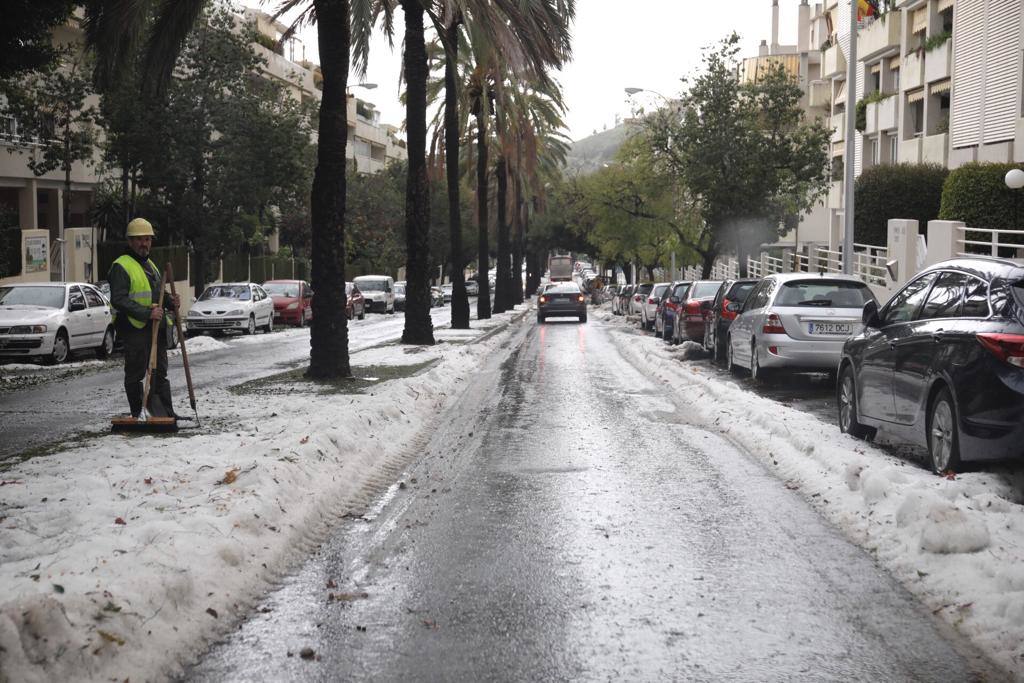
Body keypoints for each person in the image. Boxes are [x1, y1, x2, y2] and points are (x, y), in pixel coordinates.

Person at [108, 218, 179, 418]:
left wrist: (170, 301)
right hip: (135, 329)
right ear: (130, 241)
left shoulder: (151, 265)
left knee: (159, 372)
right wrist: (147, 313)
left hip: (156, 329)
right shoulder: (121, 266)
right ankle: (139, 413)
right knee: (137, 374)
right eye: (139, 240)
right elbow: (119, 299)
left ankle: (164, 413)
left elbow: (157, 293)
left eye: (147, 239)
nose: (144, 244)